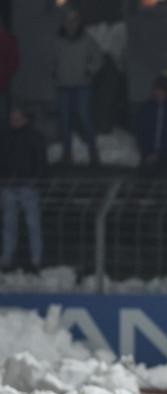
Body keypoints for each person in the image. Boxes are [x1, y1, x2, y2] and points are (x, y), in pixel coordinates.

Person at [53, 8, 102, 165]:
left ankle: (93, 152)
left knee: (85, 117)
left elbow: (99, 57)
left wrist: (90, 70)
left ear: (79, 22)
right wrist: (55, 72)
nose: (71, 23)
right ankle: (67, 154)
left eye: (74, 20)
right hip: (63, 86)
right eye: (68, 20)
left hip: (82, 86)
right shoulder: (57, 40)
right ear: (64, 22)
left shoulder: (87, 39)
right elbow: (49, 59)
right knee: (65, 121)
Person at [1, 107, 46, 271]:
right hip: (9, 185)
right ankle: (7, 257)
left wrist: (35, 181)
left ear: (25, 119)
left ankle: (36, 258)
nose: (14, 121)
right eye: (12, 118)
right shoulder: (6, 136)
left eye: (17, 118)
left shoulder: (34, 136)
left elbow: (41, 161)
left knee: (32, 224)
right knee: (9, 224)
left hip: (28, 186)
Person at [135, 77, 167, 177]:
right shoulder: (146, 109)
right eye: (156, 93)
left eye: (161, 93)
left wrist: (161, 153)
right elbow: (141, 133)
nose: (158, 96)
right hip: (149, 154)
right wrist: (147, 152)